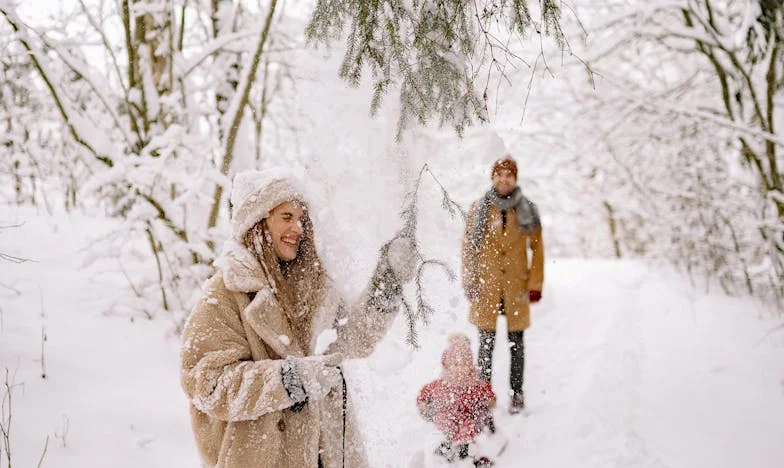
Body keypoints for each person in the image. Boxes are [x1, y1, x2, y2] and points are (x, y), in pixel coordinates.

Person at [180, 168, 417, 468]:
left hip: (324, 454)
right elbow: (205, 383)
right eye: (287, 217)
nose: (298, 228)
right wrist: (289, 380)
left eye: (302, 218)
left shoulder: (313, 287)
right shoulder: (224, 293)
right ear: (258, 222)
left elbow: (352, 338)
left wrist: (388, 280)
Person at [461, 156, 544, 414]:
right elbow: (468, 248)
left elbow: (538, 249)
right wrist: (470, 280)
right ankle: (483, 396)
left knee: (516, 344)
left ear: (515, 179)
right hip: (487, 285)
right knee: (485, 345)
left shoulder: (527, 209)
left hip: (516, 287)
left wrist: (535, 283)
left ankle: (516, 394)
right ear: (492, 177)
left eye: (508, 175)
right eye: (499, 175)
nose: (503, 179)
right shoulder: (478, 209)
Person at [416, 333, 496, 467]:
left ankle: (467, 450)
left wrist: (490, 400)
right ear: (447, 365)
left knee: (468, 426)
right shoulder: (442, 383)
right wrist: (423, 402)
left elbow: (486, 391)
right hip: (447, 417)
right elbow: (426, 391)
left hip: (466, 418)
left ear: (470, 365)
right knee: (443, 422)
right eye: (455, 364)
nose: (460, 368)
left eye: (464, 364)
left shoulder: (474, 383)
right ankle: (446, 448)